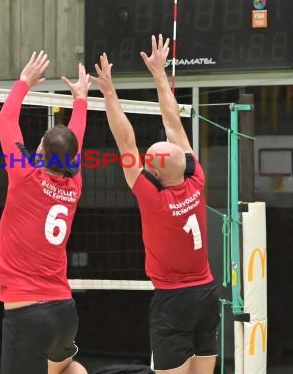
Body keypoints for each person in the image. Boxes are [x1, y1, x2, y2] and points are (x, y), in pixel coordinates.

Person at [91, 36, 219, 374]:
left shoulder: (153, 198)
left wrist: (108, 91)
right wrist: (160, 74)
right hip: (206, 294)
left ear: (153, 173)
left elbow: (125, 139)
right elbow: (173, 122)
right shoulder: (197, 178)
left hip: (174, 301)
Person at [0, 51, 90, 374]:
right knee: (68, 369)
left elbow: (5, 121)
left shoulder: (24, 176)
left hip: (27, 315)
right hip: (64, 312)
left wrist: (24, 82)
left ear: (40, 153)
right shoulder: (74, 185)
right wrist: (80, 101)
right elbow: (75, 139)